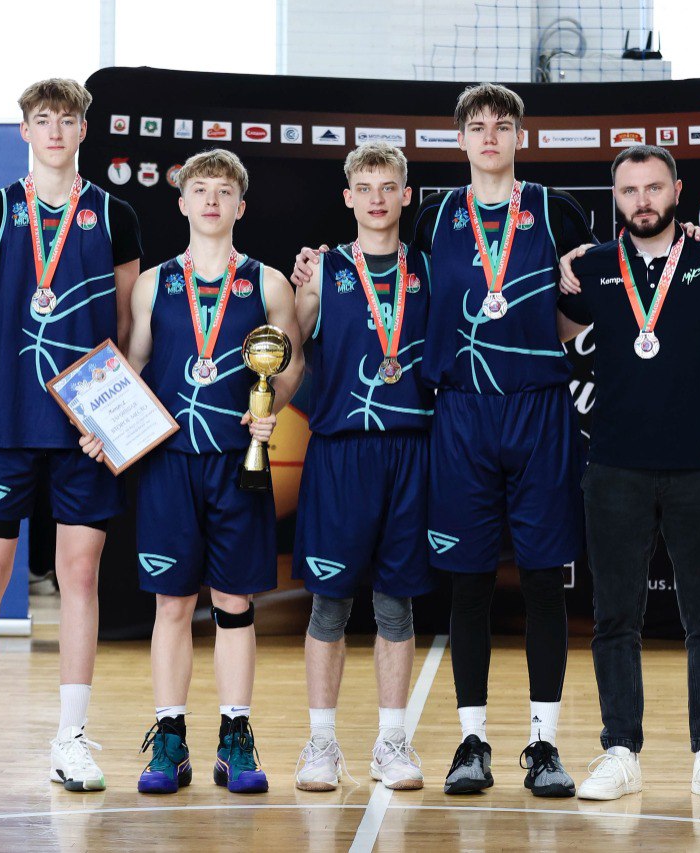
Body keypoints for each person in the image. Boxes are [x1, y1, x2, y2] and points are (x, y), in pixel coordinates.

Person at [296, 82, 593, 798]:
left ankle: (544, 744)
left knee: (543, 578)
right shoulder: (432, 221)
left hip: (538, 409)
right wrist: (315, 270)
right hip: (459, 412)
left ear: (520, 135)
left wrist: (536, 339)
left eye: (502, 124)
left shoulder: (558, 211)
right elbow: (382, 284)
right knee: (469, 578)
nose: (489, 136)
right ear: (459, 140)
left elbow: (575, 310)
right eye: (477, 126)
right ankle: (471, 741)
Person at [82, 149, 303, 795]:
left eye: (223, 190)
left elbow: (290, 363)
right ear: (181, 202)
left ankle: (235, 735)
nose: (211, 199)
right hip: (169, 464)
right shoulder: (153, 283)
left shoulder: (268, 283)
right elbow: (133, 364)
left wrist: (271, 409)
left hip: (238, 464)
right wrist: (104, 425)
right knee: (173, 603)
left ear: (241, 205)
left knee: (234, 603)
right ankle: (170, 738)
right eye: (200, 189)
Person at [0, 78, 141, 794]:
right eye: (42, 119)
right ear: (23, 130)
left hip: (85, 433)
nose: (55, 130)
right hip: (7, 429)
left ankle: (72, 739)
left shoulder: (115, 214)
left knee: (79, 576)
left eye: (66, 119)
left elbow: (126, 324)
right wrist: (5, 386)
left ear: (84, 129)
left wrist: (108, 417)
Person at [556, 145, 700, 803]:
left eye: (653, 187)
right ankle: (621, 751)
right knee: (614, 618)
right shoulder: (593, 267)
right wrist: (560, 269)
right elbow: (547, 335)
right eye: (629, 190)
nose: (642, 200)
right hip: (615, 467)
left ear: (677, 190)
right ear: (614, 198)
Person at [289, 143, 434, 793]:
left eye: (388, 186)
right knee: (328, 604)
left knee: (395, 605)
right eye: (365, 187)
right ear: (347, 197)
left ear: (406, 195)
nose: (377, 198)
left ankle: (391, 742)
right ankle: (321, 744)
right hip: (341, 452)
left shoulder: (427, 269)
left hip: (409, 449)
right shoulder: (321, 271)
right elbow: (288, 355)